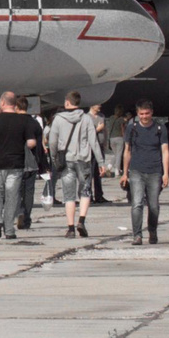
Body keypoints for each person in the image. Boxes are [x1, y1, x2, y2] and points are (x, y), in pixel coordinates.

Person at [45, 91, 103, 239]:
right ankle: (81, 221)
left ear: (67, 102)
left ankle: (70, 228)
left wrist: (53, 158)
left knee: (69, 195)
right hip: (84, 159)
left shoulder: (58, 119)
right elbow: (93, 141)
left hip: (66, 160)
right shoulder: (87, 118)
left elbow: (52, 141)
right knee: (85, 191)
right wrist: (101, 161)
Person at [0, 93, 42, 241]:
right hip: (16, 164)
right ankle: (9, 229)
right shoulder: (23, 121)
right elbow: (31, 142)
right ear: (14, 105)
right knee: (12, 195)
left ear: (2, 103)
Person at [122, 99, 169, 245]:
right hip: (136, 170)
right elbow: (127, 151)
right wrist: (124, 173)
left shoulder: (160, 128)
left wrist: (166, 173)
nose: (144, 116)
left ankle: (152, 231)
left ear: (152, 113)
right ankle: (137, 235)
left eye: (147, 113)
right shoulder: (132, 128)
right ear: (137, 114)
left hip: (155, 171)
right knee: (137, 203)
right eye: (141, 114)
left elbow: (165, 151)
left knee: (153, 206)